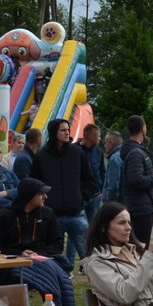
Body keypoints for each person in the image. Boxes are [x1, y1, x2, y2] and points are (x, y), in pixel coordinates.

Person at [0, 178, 75, 306]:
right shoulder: (4, 216)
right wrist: (19, 254)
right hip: (12, 263)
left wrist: (38, 254)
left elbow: (57, 244)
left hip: (43, 261)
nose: (45, 197)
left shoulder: (48, 213)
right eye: (41, 194)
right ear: (29, 196)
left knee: (56, 281)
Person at [81, 201, 153, 306]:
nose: (128, 227)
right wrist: (150, 257)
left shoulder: (134, 252)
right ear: (103, 227)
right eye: (122, 223)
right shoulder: (96, 263)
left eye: (129, 222)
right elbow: (125, 295)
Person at [31, 117, 97, 273]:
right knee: (52, 257)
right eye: (63, 130)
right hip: (52, 215)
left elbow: (89, 179)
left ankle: (100, 282)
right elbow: (34, 183)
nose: (67, 133)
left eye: (68, 129)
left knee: (88, 255)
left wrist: (81, 197)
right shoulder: (41, 156)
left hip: (76, 213)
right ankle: (57, 281)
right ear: (54, 132)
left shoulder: (77, 152)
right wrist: (43, 203)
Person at [121, 116, 153, 247]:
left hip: (142, 207)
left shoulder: (138, 150)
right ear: (143, 128)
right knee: (139, 248)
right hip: (139, 209)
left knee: (137, 246)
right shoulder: (136, 153)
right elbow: (136, 180)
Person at [81, 123, 105, 220]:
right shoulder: (74, 150)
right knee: (80, 226)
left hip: (95, 197)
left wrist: (103, 191)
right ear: (91, 137)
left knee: (93, 225)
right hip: (79, 197)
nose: (100, 138)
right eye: (98, 136)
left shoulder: (99, 152)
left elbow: (102, 172)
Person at [101, 130, 124, 203]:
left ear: (110, 143)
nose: (104, 146)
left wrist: (109, 201)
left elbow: (113, 186)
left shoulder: (114, 158)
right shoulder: (125, 154)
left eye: (105, 143)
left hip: (115, 203)